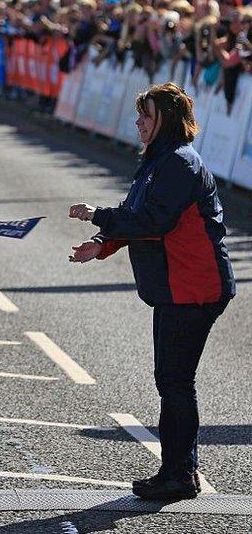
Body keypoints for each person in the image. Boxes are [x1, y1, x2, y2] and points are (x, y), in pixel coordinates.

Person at [68, 82, 235, 501]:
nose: (138, 122)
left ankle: (179, 475)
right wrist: (102, 242)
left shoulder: (179, 163)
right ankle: (180, 470)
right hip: (176, 287)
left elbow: (155, 221)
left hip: (194, 286)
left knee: (175, 381)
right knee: (173, 380)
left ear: (166, 121)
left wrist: (96, 216)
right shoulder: (159, 160)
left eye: (146, 115)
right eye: (139, 114)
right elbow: (137, 217)